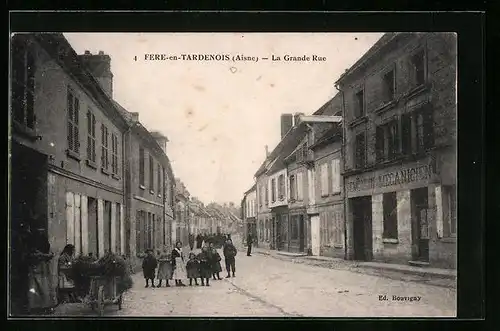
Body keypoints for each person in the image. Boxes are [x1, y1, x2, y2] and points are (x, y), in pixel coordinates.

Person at [27, 227, 57, 315]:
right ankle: (41, 307)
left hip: (40, 268)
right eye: (40, 231)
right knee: (40, 288)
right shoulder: (37, 243)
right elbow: (48, 255)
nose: (41, 233)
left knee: (39, 288)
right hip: (40, 268)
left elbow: (49, 255)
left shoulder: (39, 243)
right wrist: (45, 256)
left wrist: (42, 255)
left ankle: (41, 307)